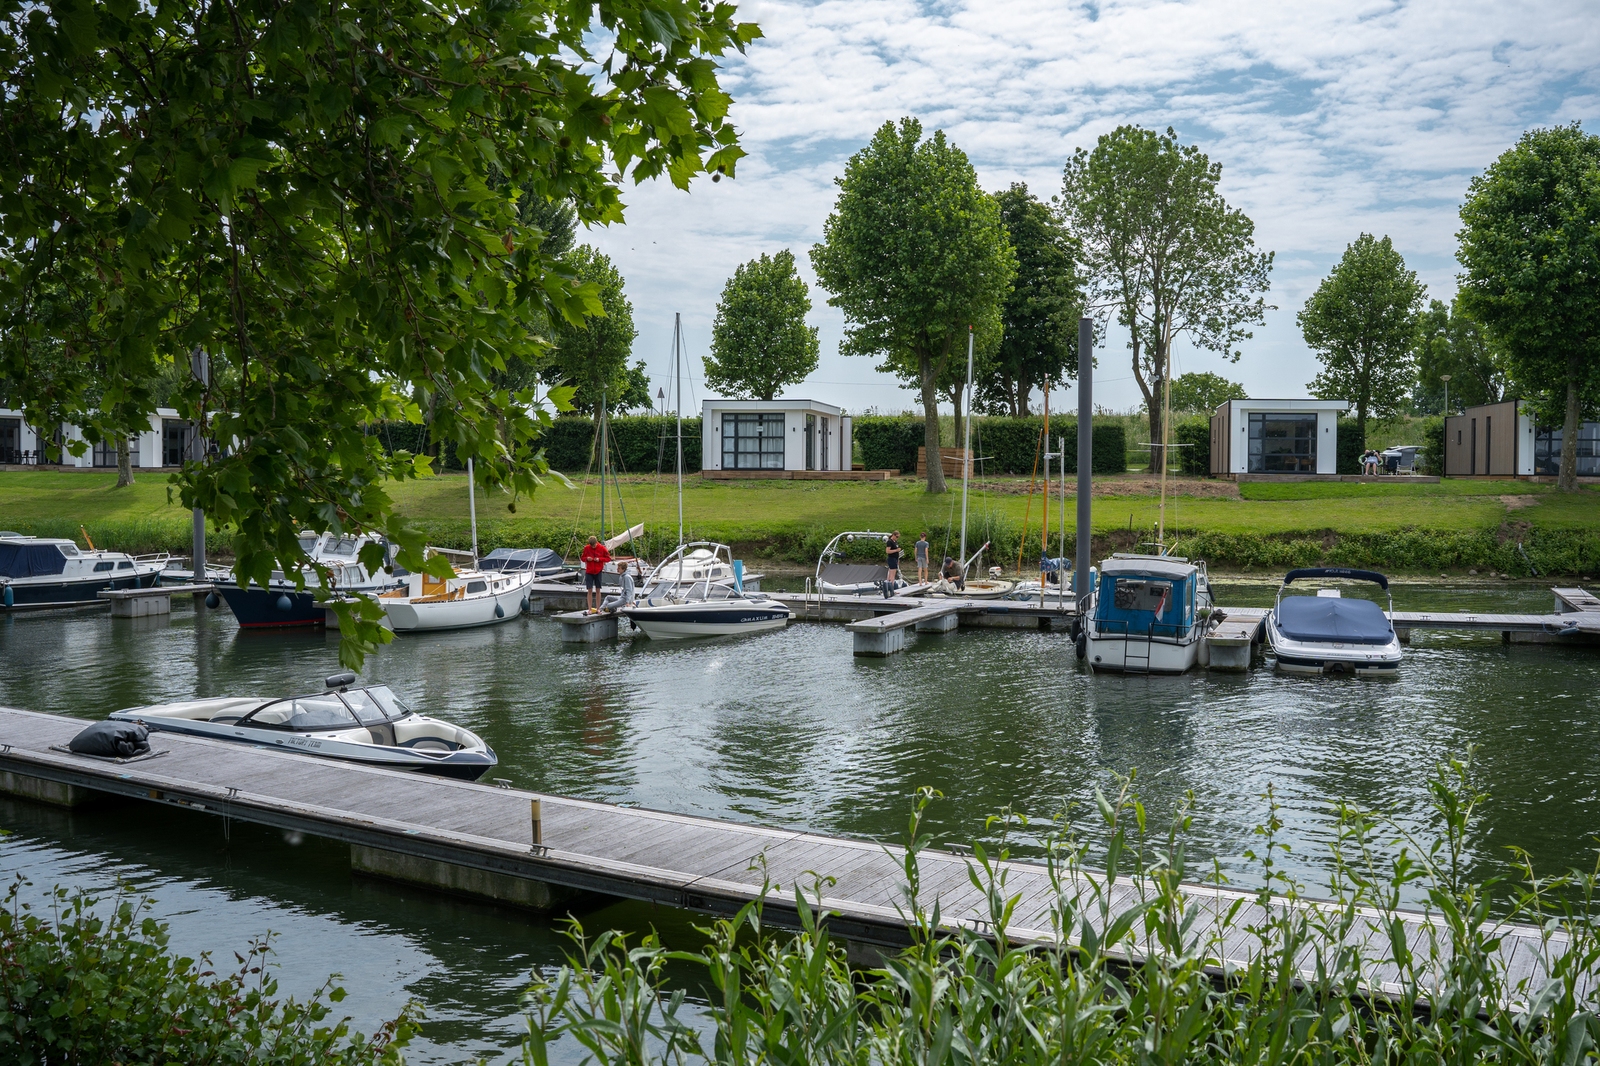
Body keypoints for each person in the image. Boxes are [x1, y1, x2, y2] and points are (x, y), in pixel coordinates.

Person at [580, 535, 610, 612]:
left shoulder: (602, 548)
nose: (593, 547)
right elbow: (582, 558)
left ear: (596, 542)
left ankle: (598, 608)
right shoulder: (586, 548)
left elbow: (608, 558)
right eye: (591, 545)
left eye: (594, 545)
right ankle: (589, 609)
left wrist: (599, 559)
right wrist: (587, 558)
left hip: (598, 571)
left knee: (598, 590)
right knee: (589, 590)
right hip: (589, 571)